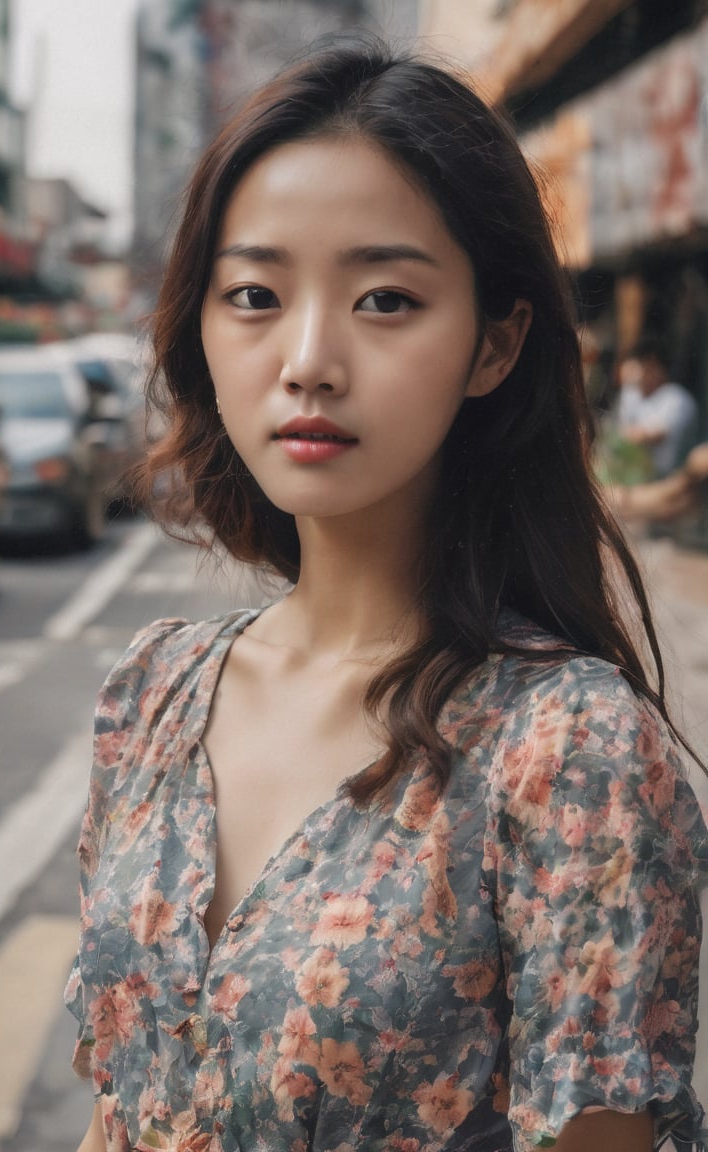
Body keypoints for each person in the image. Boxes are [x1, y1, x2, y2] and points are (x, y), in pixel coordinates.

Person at [67, 40, 708, 1152]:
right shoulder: (154, 693)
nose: (310, 358)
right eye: (257, 295)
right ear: (203, 329)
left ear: (494, 345)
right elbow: (120, 1113)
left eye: (385, 299)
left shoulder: (569, 752)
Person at [616, 337, 699, 480]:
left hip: (669, 481)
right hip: (634, 476)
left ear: (654, 365)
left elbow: (654, 435)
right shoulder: (630, 394)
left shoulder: (677, 397)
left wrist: (623, 435)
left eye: (641, 366)